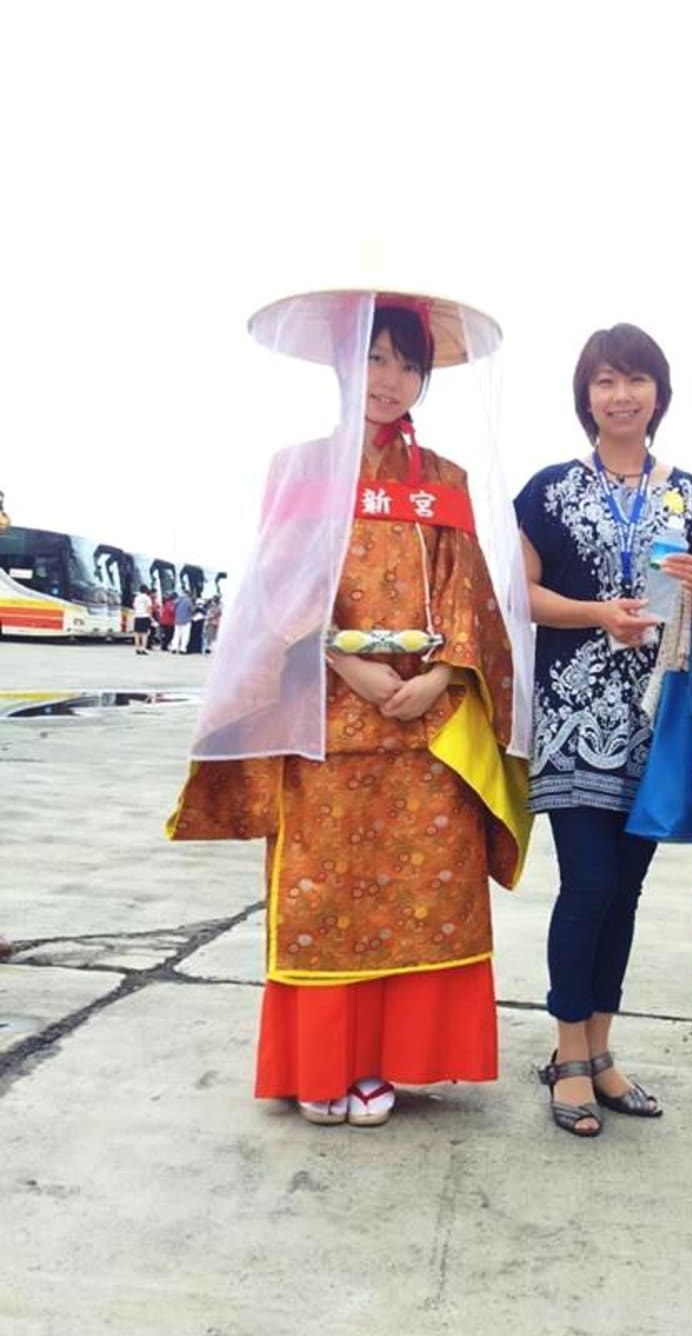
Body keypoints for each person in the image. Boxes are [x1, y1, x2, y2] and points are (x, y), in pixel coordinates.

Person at [168, 291, 530, 1127]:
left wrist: (439, 680)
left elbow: (470, 599)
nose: (391, 378)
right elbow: (272, 595)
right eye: (375, 357)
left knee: (416, 898)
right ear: (342, 363)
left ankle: (389, 1065)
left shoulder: (447, 481)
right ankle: (322, 1065)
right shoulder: (297, 469)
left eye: (408, 362)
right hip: (324, 726)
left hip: (428, 736)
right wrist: (348, 665)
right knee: (327, 899)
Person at [515, 323, 692, 1137]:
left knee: (627, 893)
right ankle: (568, 1052)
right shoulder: (549, 489)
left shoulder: (688, 495)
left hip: (657, 722)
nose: (621, 395)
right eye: (605, 381)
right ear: (586, 396)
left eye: (636, 380)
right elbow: (520, 595)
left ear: (659, 395)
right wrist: (597, 615)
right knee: (590, 884)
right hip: (572, 716)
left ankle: (601, 1051)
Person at [131, 584, 153, 655]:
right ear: (146, 590)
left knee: (137, 633)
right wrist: (151, 618)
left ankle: (137, 649)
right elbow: (148, 608)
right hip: (144, 616)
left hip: (137, 616)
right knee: (144, 634)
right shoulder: (147, 598)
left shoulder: (136, 598)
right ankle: (143, 648)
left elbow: (134, 606)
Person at [171, 588, 193, 653]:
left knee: (176, 634)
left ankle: (174, 648)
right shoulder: (188, 600)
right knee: (185, 635)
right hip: (186, 621)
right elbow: (191, 609)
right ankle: (182, 649)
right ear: (188, 594)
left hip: (177, 620)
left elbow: (173, 608)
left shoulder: (177, 600)